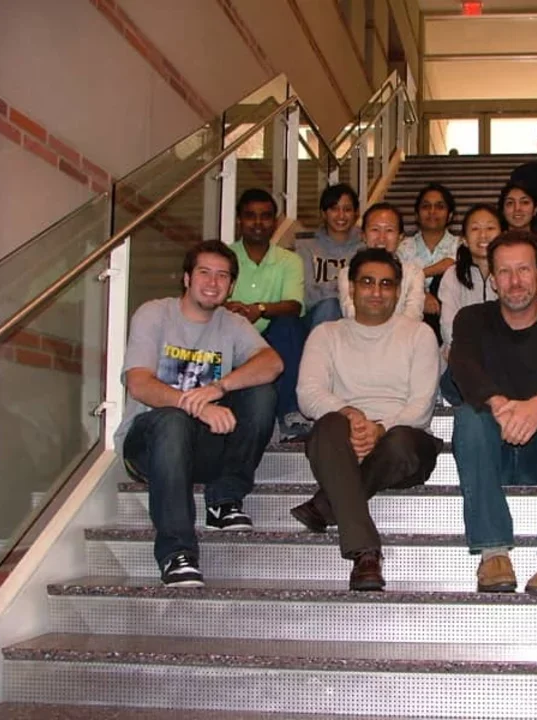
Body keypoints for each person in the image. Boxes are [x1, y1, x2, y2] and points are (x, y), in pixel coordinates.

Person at [115, 240, 283, 587]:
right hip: (149, 444)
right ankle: (177, 553)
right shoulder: (155, 313)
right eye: (204, 272)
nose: (213, 282)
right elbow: (140, 384)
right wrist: (197, 406)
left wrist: (220, 388)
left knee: (261, 391)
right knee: (173, 420)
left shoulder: (232, 324)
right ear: (187, 278)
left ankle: (224, 500)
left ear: (231, 286)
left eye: (223, 276)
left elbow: (272, 363)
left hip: (202, 448)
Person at [291, 248, 442, 591]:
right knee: (328, 426)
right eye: (368, 282)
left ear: (399, 289)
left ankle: (327, 504)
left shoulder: (419, 334)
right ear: (351, 288)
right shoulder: (326, 334)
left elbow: (421, 405)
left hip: (402, 444)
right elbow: (308, 393)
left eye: (386, 284)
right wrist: (350, 414)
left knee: (401, 440)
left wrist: (379, 429)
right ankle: (366, 552)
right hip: (344, 437)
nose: (376, 292)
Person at [450, 231, 537, 596]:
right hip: (490, 452)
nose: (515, 281)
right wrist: (499, 404)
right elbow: (462, 369)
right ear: (493, 280)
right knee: (468, 417)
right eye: (506, 272)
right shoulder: (471, 319)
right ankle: (493, 553)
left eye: (524, 270)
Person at [225, 188, 308, 440]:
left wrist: (258, 309)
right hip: (230, 339)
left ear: (275, 221)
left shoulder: (289, 260)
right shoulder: (224, 256)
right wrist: (227, 308)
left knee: (289, 324)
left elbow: (294, 305)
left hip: (272, 339)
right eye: (251, 216)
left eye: (266, 216)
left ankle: (288, 413)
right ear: (239, 220)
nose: (258, 223)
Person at [438, 204, 502, 406]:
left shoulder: (511, 274)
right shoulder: (452, 275)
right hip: (462, 360)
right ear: (464, 240)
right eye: (475, 229)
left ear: (502, 234)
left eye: (490, 228)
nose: (483, 235)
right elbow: (449, 327)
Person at [336, 202, 424, 321]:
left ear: (400, 237)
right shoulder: (348, 273)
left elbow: (413, 315)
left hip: (403, 337)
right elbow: (352, 313)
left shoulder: (414, 273)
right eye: (375, 229)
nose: (381, 237)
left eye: (389, 230)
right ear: (363, 236)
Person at [294, 183, 364, 330]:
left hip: (356, 315)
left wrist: (327, 289)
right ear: (323, 213)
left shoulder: (364, 248)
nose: (341, 215)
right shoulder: (306, 248)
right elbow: (307, 296)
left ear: (356, 213)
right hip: (317, 316)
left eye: (347, 209)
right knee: (330, 306)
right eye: (334, 209)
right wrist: (343, 290)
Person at [397, 183, 460, 338]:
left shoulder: (461, 246)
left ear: (450, 215)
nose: (432, 212)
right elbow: (397, 282)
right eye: (426, 206)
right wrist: (422, 294)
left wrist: (417, 276)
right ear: (417, 214)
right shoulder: (403, 248)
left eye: (439, 206)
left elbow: (451, 264)